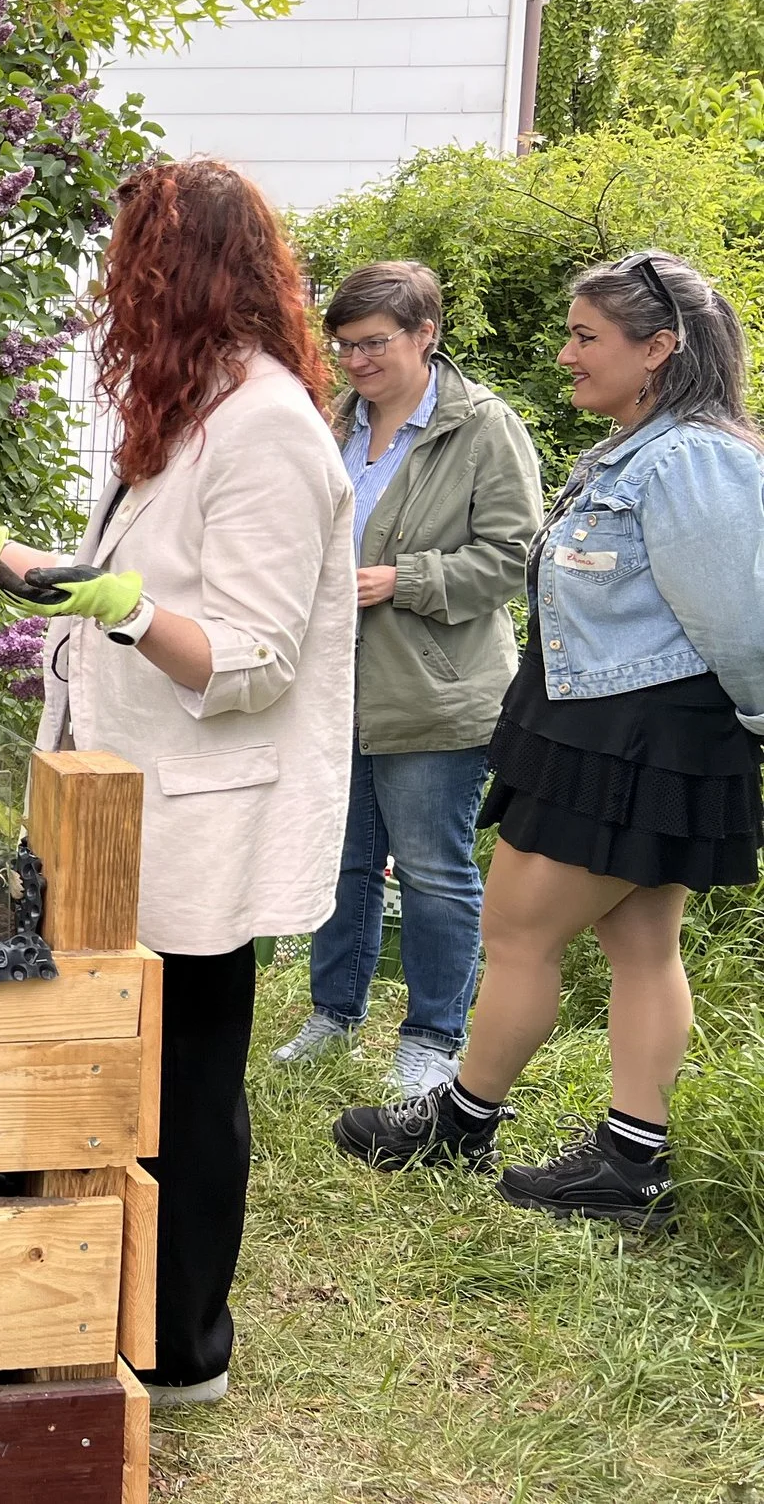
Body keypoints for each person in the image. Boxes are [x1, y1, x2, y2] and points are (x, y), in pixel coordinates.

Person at [0, 158, 355, 1407]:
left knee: (190, 1088)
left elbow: (249, 660)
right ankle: (107, 1304)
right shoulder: (190, 411)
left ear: (188, 277)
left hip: (197, 818)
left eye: (131, 273)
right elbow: (140, 580)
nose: (114, 297)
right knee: (127, 1079)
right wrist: (18, 561)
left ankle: (181, 1350)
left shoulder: (266, 428)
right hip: (122, 804)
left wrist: (117, 605)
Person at [336, 252, 764, 1231]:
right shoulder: (632, 447)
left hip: (633, 737)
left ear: (657, 349)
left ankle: (461, 1121)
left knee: (519, 931)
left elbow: (741, 626)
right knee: (640, 941)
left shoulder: (690, 459)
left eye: (585, 337)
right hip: (605, 725)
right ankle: (629, 1162)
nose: (564, 354)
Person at [270, 263, 541, 1097]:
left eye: (374, 343)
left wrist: (402, 580)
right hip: (333, 684)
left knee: (431, 866)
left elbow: (514, 556)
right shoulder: (332, 425)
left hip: (436, 690)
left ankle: (431, 1037)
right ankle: (334, 1012)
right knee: (343, 858)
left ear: (427, 334)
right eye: (344, 345)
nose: (354, 361)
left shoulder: (484, 427)